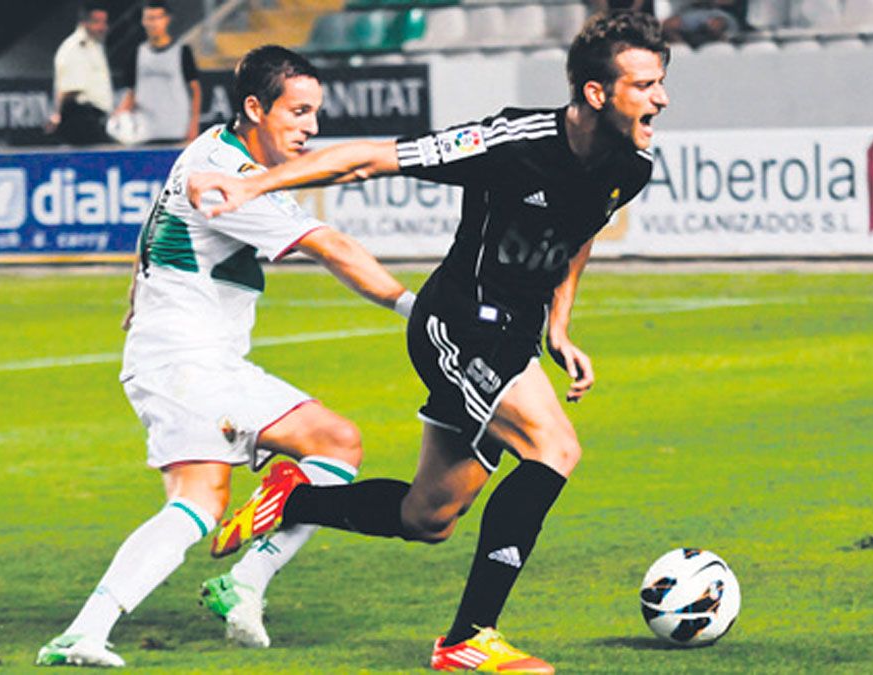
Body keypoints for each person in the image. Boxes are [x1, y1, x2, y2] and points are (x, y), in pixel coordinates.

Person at [190, 11, 670, 672]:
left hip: (515, 332)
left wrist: (560, 323)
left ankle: (289, 495)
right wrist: (254, 182)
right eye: (644, 85)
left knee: (429, 515)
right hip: (460, 320)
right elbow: (370, 159)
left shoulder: (630, 165)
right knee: (555, 448)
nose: (661, 98)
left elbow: (580, 232)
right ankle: (468, 638)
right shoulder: (512, 140)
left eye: (659, 83)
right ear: (596, 93)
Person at [35, 45, 416, 667]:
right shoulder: (228, 180)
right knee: (200, 502)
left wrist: (139, 287)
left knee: (336, 441)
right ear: (254, 108)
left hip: (208, 359)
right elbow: (332, 246)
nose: (311, 126)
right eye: (298, 112)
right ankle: (86, 631)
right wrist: (412, 309)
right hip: (181, 362)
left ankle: (243, 582)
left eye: (316, 112)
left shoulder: (217, 150)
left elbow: (161, 225)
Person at [113, 0, 202, 145]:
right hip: (145, 131)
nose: (153, 23)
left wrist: (193, 123)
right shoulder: (136, 54)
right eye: (149, 18)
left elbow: (195, 90)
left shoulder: (181, 52)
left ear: (167, 19)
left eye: (157, 18)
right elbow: (131, 93)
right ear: (143, 21)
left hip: (177, 129)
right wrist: (119, 115)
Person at [48, 1, 114, 146]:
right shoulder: (75, 48)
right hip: (81, 118)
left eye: (104, 22)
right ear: (85, 22)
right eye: (97, 22)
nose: (102, 27)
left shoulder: (94, 46)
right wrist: (58, 115)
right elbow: (69, 91)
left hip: (96, 117)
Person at [662, 0, 748, 48]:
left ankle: (723, 46)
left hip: (721, 13)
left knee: (715, 25)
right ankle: (682, 49)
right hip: (692, 12)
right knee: (668, 25)